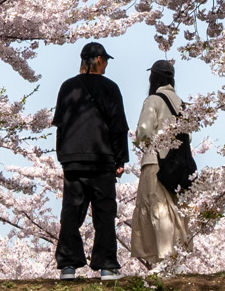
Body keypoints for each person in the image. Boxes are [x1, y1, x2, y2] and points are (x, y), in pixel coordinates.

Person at [51, 41, 130, 281]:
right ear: (98, 59)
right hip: (102, 159)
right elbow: (118, 127)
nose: (106, 65)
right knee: (104, 214)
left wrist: (63, 157)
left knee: (71, 213)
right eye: (105, 60)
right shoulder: (111, 88)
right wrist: (120, 159)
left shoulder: (67, 87)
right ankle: (106, 266)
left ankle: (68, 266)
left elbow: (60, 126)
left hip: (74, 161)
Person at [130, 59, 193, 269]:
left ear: (154, 78)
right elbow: (188, 137)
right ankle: (177, 260)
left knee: (158, 210)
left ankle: (165, 260)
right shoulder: (182, 104)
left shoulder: (153, 101)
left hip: (156, 162)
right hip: (179, 167)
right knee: (175, 212)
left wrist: (147, 141)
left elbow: (143, 133)